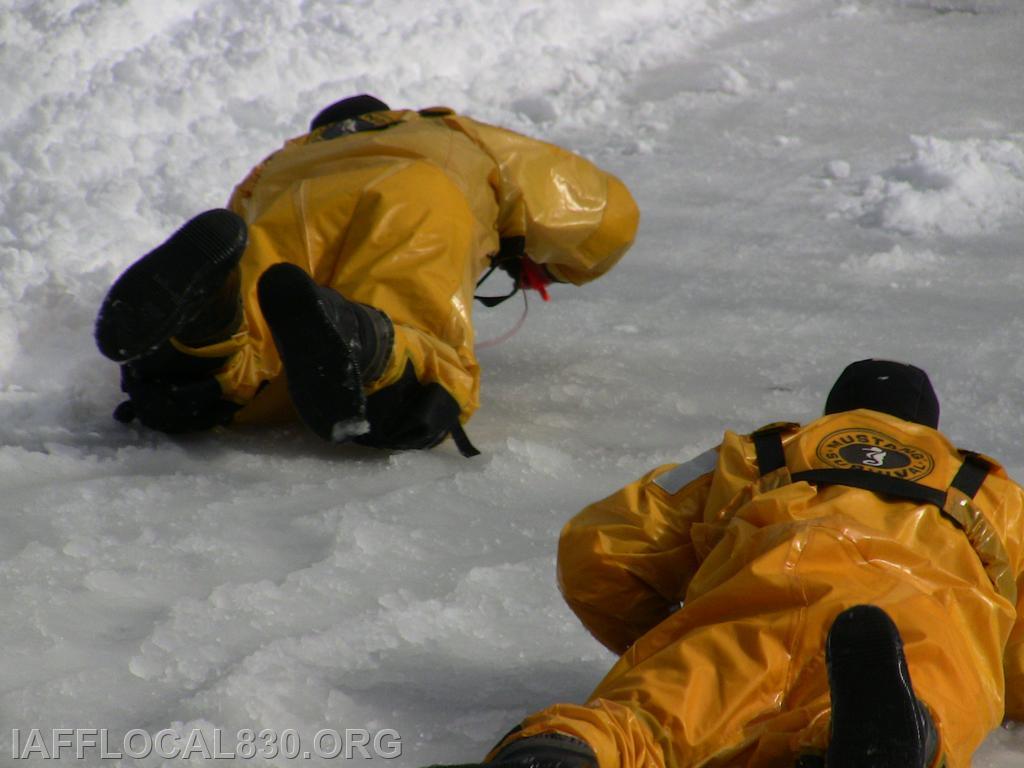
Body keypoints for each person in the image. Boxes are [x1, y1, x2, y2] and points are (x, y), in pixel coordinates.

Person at [456, 360, 1024, 768]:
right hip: (917, 630)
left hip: (757, 608)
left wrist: (668, 636)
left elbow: (599, 546)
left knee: (646, 727)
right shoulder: (993, 495)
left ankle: (564, 752)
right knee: (919, 715)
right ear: (931, 428)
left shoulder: (763, 453)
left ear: (837, 412)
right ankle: (878, 738)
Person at [95, 95, 639, 454]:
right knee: (421, 343)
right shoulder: (453, 132)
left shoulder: (280, 160)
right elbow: (607, 217)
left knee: (254, 336)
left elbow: (232, 229)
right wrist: (547, 261)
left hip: (294, 201)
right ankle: (367, 344)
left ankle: (202, 336)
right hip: (416, 195)